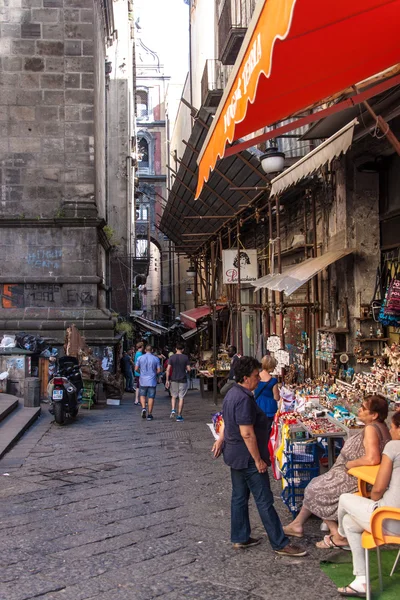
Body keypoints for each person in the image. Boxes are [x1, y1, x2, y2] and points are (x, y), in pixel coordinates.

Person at [212, 356, 306, 557]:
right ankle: (280, 542)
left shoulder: (231, 394)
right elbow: (247, 432)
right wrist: (258, 460)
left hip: (235, 454)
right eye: (256, 375)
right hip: (247, 457)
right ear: (246, 377)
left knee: (239, 496)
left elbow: (227, 420)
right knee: (264, 500)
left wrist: (221, 440)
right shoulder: (243, 398)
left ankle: (240, 537)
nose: (259, 379)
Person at [283, 394, 391, 546]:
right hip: (353, 475)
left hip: (355, 477)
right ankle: (297, 524)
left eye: (363, 408)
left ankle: (337, 534)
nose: (359, 410)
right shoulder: (382, 427)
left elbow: (373, 458)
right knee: (316, 483)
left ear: (374, 415)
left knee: (315, 490)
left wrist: (351, 464)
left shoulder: (372, 430)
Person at [335, 412, 400, 597]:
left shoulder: (394, 447)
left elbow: (378, 489)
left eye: (393, 427)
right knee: (349, 521)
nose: (390, 430)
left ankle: (339, 536)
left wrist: (374, 500)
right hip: (392, 519)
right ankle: (360, 581)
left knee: (345, 499)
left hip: (389, 520)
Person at [254, 355, 279, 442]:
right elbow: (276, 397)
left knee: (257, 431)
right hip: (269, 409)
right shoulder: (273, 381)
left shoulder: (256, 377)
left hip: (257, 406)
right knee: (267, 433)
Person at [166, 343, 191, 421]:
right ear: (183, 350)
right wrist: (187, 370)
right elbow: (189, 369)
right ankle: (179, 415)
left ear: (176, 349)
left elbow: (168, 369)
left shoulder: (171, 358)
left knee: (173, 396)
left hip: (173, 379)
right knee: (181, 397)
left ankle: (173, 409)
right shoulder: (185, 358)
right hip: (183, 379)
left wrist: (167, 380)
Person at [136, 345, 160, 421]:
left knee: (142, 395)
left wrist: (141, 373)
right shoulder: (156, 359)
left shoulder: (140, 358)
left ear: (145, 350)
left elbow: (136, 369)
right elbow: (159, 370)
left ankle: (143, 408)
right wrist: (154, 373)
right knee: (151, 397)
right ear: (152, 350)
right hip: (152, 380)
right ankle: (149, 414)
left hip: (143, 380)